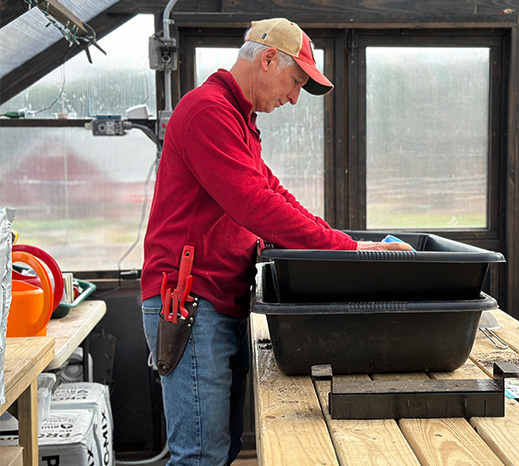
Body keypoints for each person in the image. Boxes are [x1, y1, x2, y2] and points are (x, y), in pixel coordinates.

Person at [140, 18, 411, 465]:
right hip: (190, 303)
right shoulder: (208, 112)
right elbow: (255, 208)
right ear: (268, 59)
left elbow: (273, 193)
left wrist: (346, 242)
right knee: (200, 457)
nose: (292, 97)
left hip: (218, 301)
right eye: (295, 81)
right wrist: (349, 251)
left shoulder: (236, 120)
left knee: (221, 449)